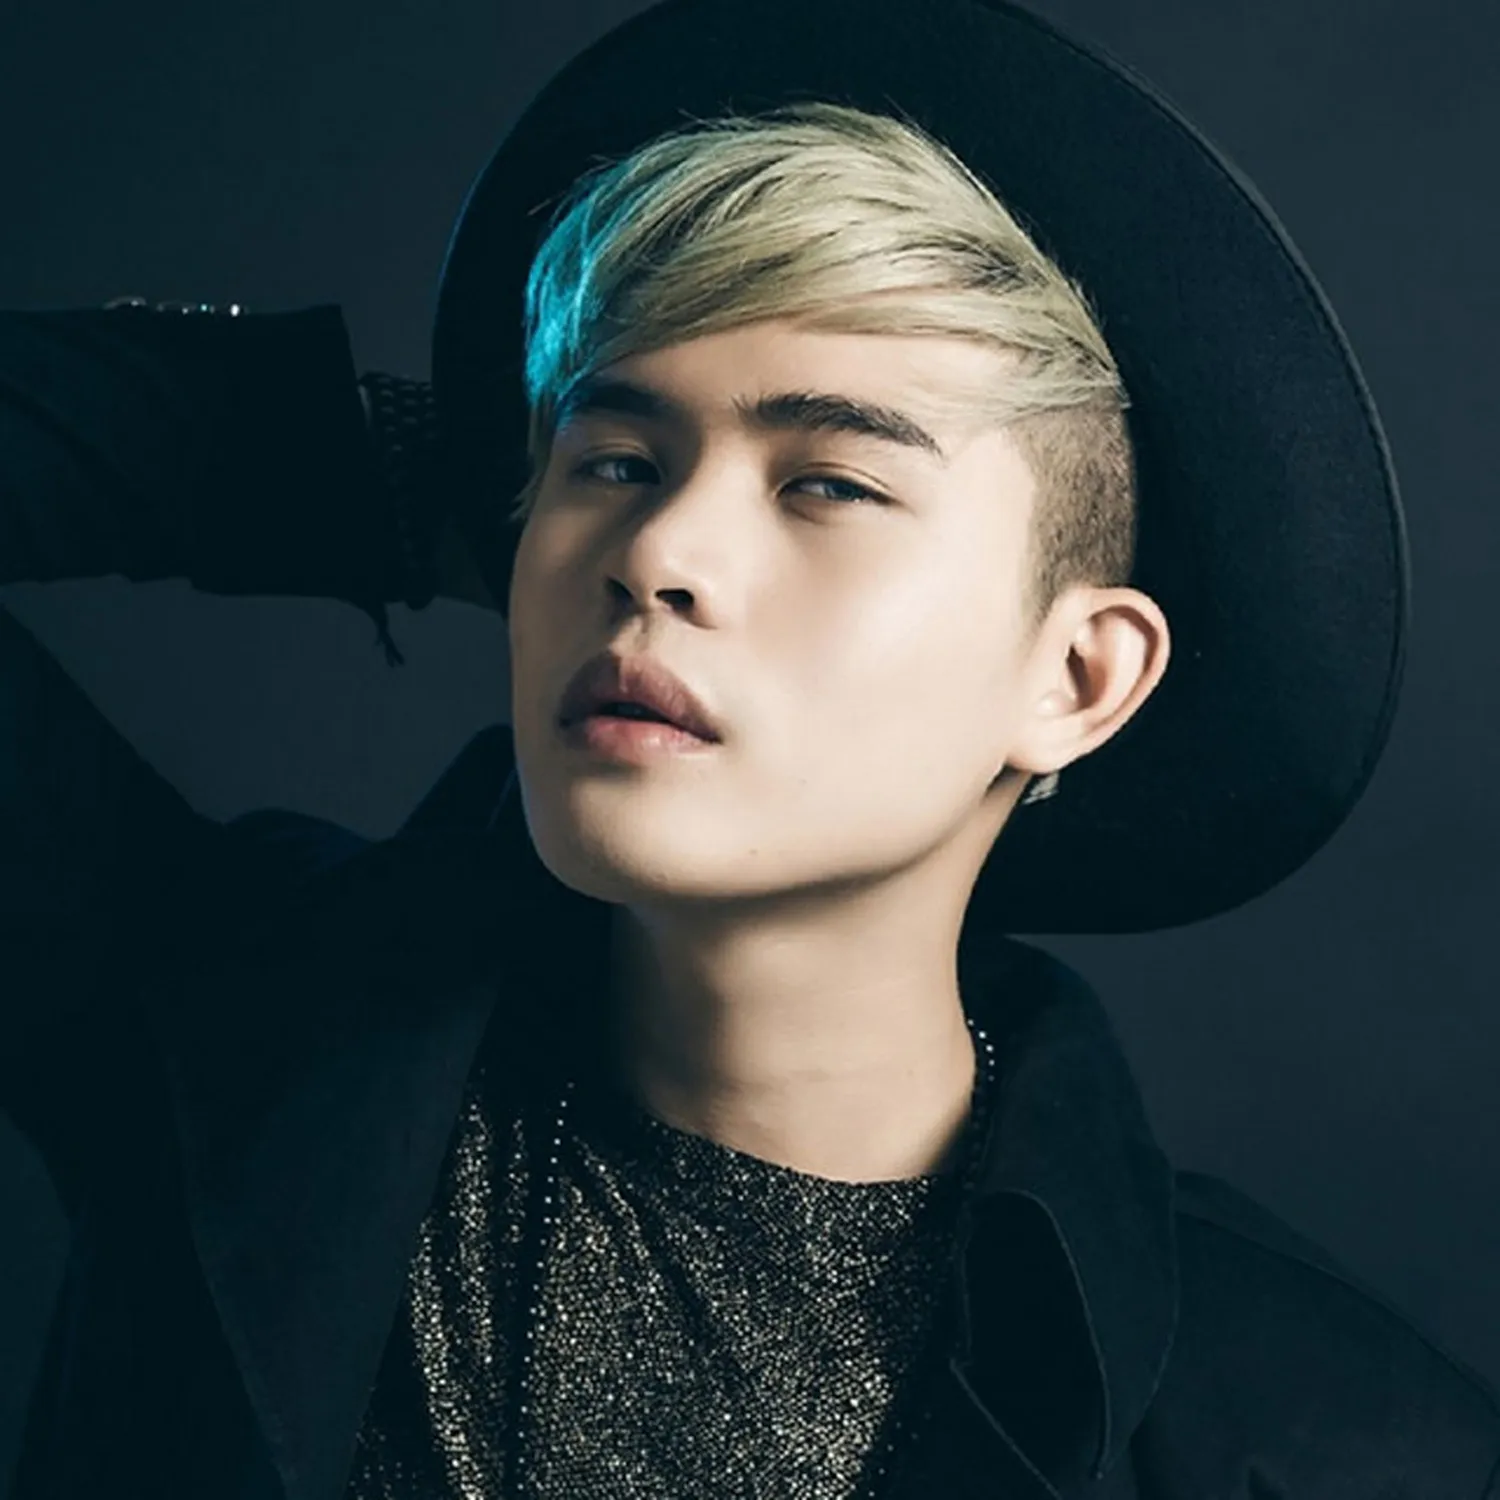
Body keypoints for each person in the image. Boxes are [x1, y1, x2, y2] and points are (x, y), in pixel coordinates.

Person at [3, 0, 1498, 1497]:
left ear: (1076, 676)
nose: (657, 551)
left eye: (829, 484)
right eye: (615, 461)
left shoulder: (1320, 1432)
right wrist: (399, 472)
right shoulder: (226, 1031)